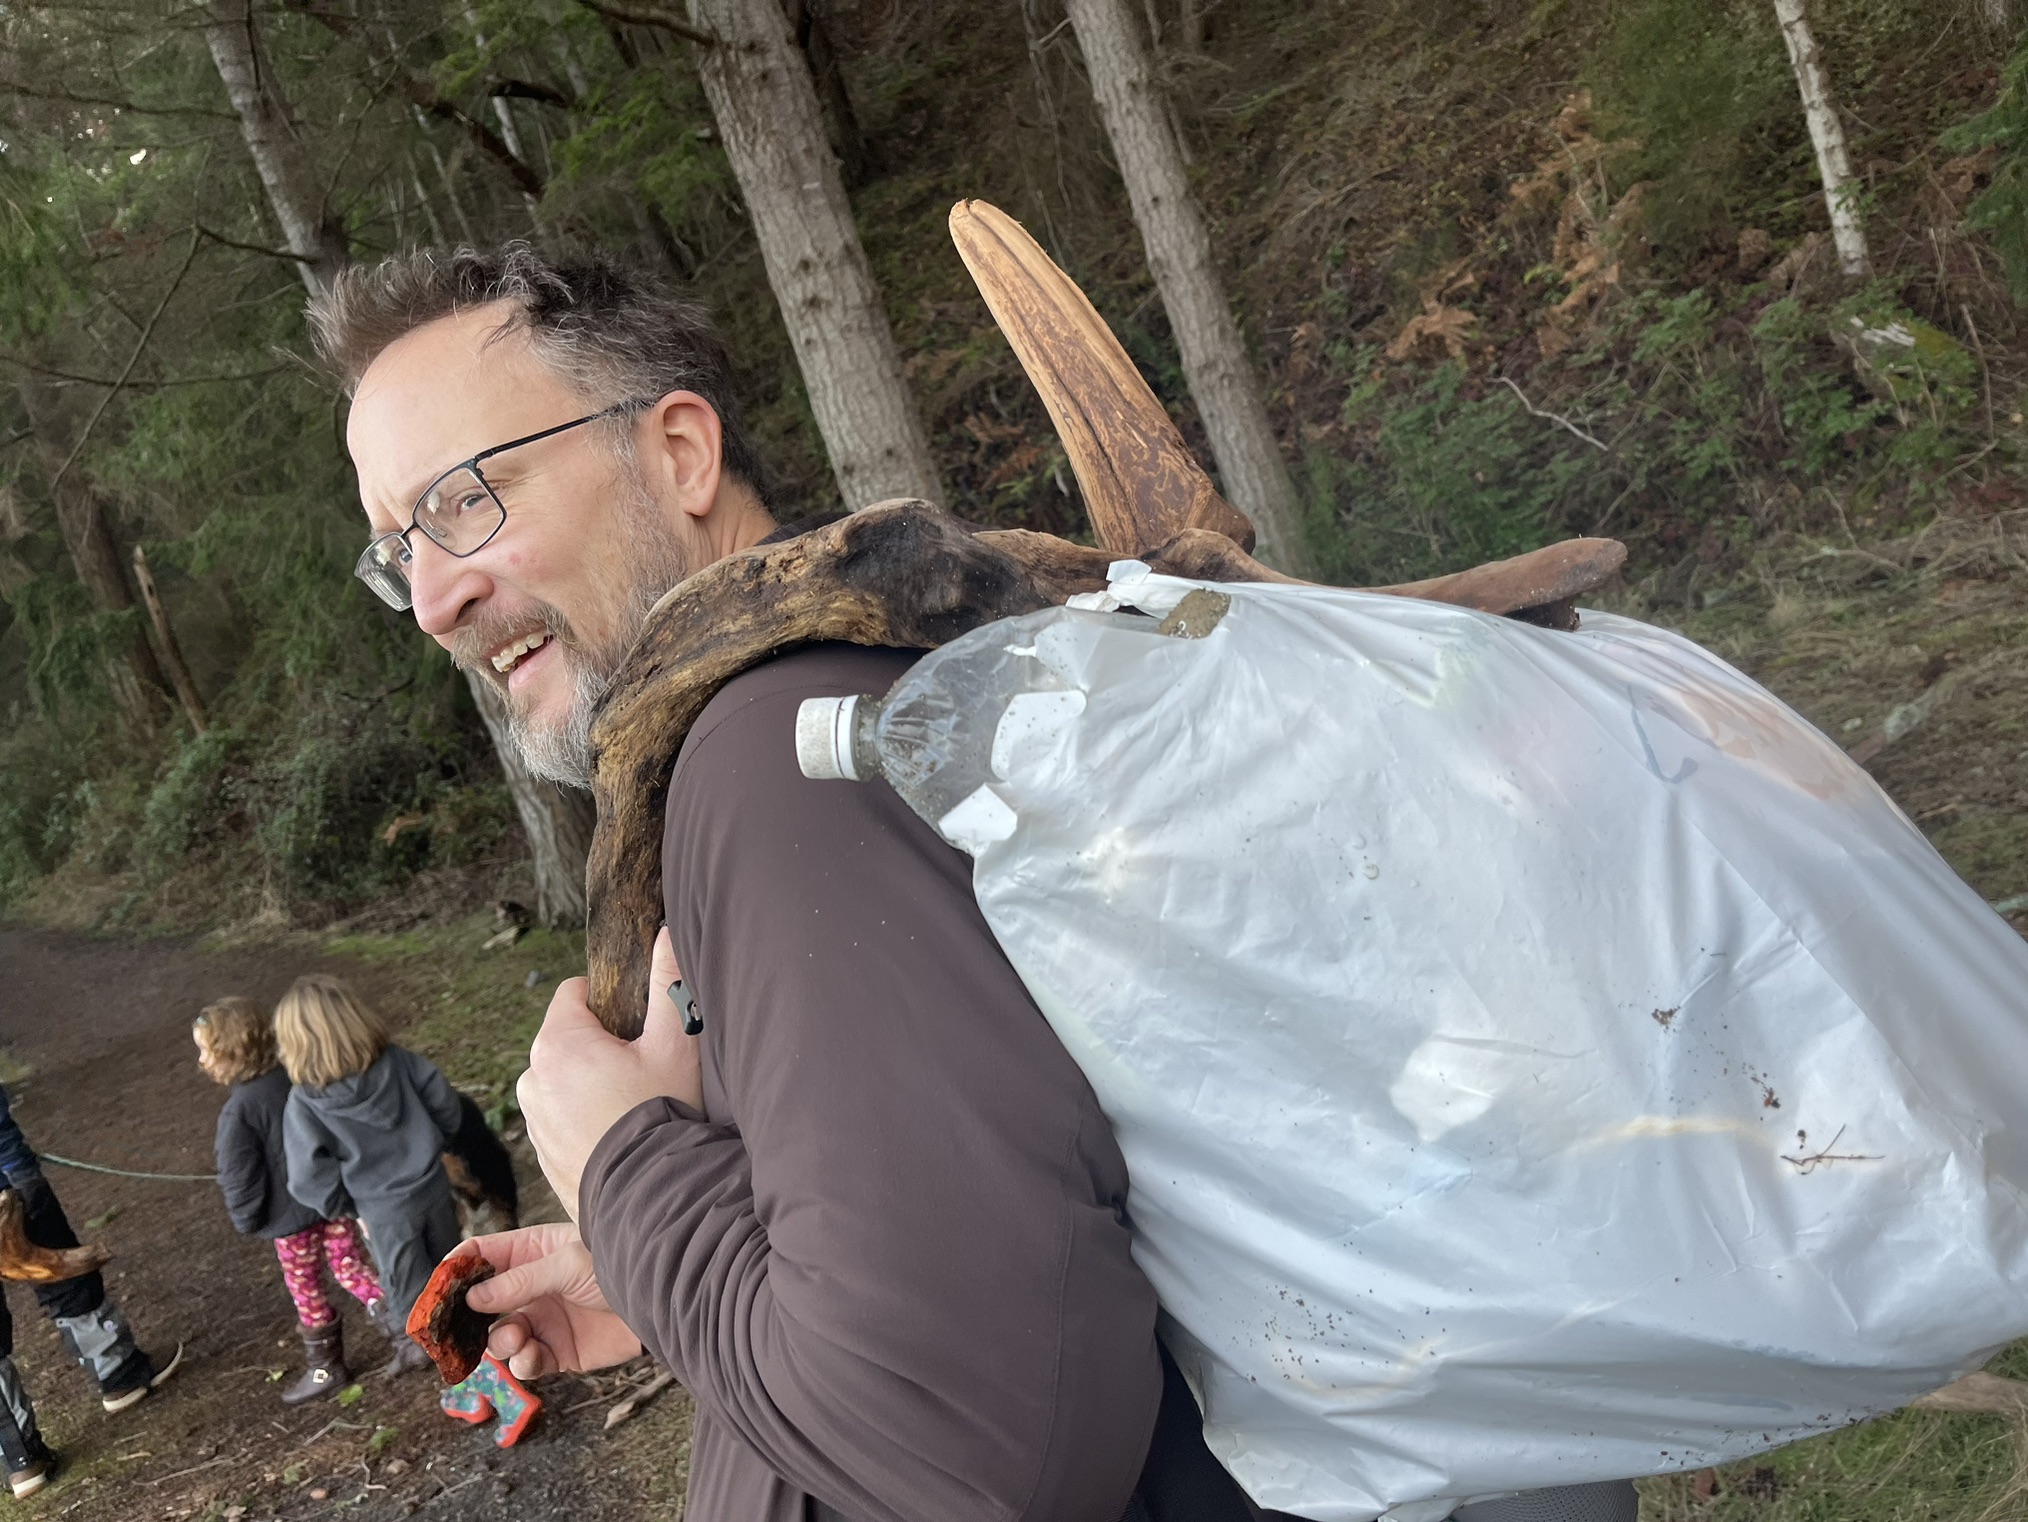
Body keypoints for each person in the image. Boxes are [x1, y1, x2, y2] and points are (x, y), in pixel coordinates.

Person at [309, 246, 1637, 1522]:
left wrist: (628, 1167)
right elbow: (1018, 1201)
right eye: (394, 548)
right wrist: (672, 1269)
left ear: (679, 452)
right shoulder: (908, 694)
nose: (430, 598)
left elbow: (977, 1448)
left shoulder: (776, 761)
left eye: (463, 501)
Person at [195, 996, 389, 1403]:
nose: (201, 1060)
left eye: (205, 1050)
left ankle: (326, 1367)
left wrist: (247, 1218)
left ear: (231, 1052)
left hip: (290, 1222)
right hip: (331, 1200)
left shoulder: (239, 1112)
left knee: (306, 1288)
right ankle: (408, 1330)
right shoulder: (298, 1079)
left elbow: (239, 1174)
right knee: (350, 1265)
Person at [0, 1084, 184, 1499]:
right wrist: (18, 1167)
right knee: (61, 1274)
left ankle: (20, 1458)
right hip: (8, 1179)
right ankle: (119, 1373)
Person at [274, 975, 462, 1379]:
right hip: (433, 1186)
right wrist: (437, 1143)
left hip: (383, 1211)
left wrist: (346, 1207)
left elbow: (308, 1176)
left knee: (408, 1288)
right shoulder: (399, 1061)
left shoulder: (304, 1103)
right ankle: (472, 1332)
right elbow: (445, 1103)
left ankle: (436, 1361)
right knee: (451, 1266)